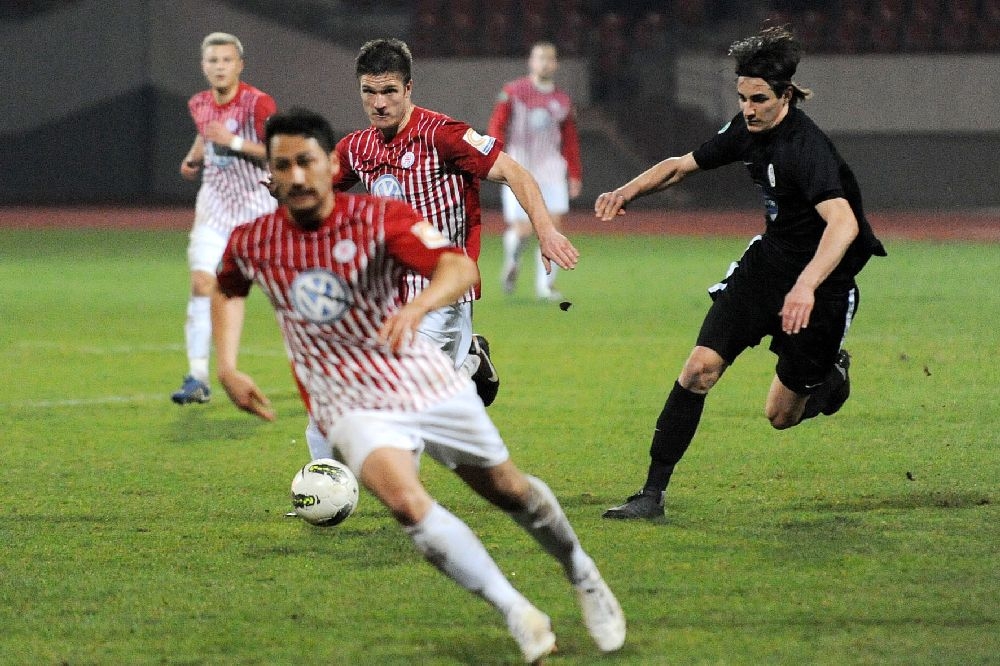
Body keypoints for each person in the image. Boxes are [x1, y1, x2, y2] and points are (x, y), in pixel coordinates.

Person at [212, 107, 625, 662]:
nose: (296, 176)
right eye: (281, 165)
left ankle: (582, 573)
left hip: (419, 376)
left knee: (508, 490)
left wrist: (423, 305)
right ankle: (517, 612)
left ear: (330, 164)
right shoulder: (254, 239)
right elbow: (227, 287)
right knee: (408, 503)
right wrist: (228, 366)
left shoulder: (378, 218)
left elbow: (458, 268)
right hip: (347, 400)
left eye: (306, 161)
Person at [594, 26, 886, 520]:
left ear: (786, 96)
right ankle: (651, 494)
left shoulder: (806, 148)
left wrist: (807, 286)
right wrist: (626, 191)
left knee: (780, 416)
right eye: (742, 97)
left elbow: (844, 223)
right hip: (766, 269)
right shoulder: (745, 129)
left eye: (759, 99)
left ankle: (831, 377)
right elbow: (680, 166)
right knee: (698, 370)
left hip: (823, 286)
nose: (748, 109)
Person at [303, 37, 580, 461]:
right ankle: (323, 481)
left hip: (443, 289)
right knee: (332, 395)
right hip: (383, 292)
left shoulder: (443, 135)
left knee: (402, 403)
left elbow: (515, 173)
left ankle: (409, 498)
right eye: (369, 92)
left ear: (409, 89)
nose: (378, 103)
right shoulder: (358, 147)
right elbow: (317, 192)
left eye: (389, 91)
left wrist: (545, 231)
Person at [172, 32, 277, 405]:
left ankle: (322, 366)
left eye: (226, 60)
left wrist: (231, 143)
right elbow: (206, 134)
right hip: (214, 210)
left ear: (239, 65)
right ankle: (197, 376)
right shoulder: (198, 103)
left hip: (256, 212)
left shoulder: (257, 104)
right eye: (213, 60)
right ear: (204, 66)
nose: (219, 66)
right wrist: (193, 157)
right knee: (202, 283)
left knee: (284, 293)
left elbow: (276, 151)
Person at [487, 41, 582, 300]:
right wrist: (498, 157)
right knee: (523, 231)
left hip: (551, 171)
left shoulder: (562, 100)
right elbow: (497, 125)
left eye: (549, 59)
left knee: (554, 229)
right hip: (519, 168)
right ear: (531, 62)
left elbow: (570, 138)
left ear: (556, 64)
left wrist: (574, 173)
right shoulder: (513, 92)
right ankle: (512, 262)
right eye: (540, 58)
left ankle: (546, 287)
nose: (545, 63)